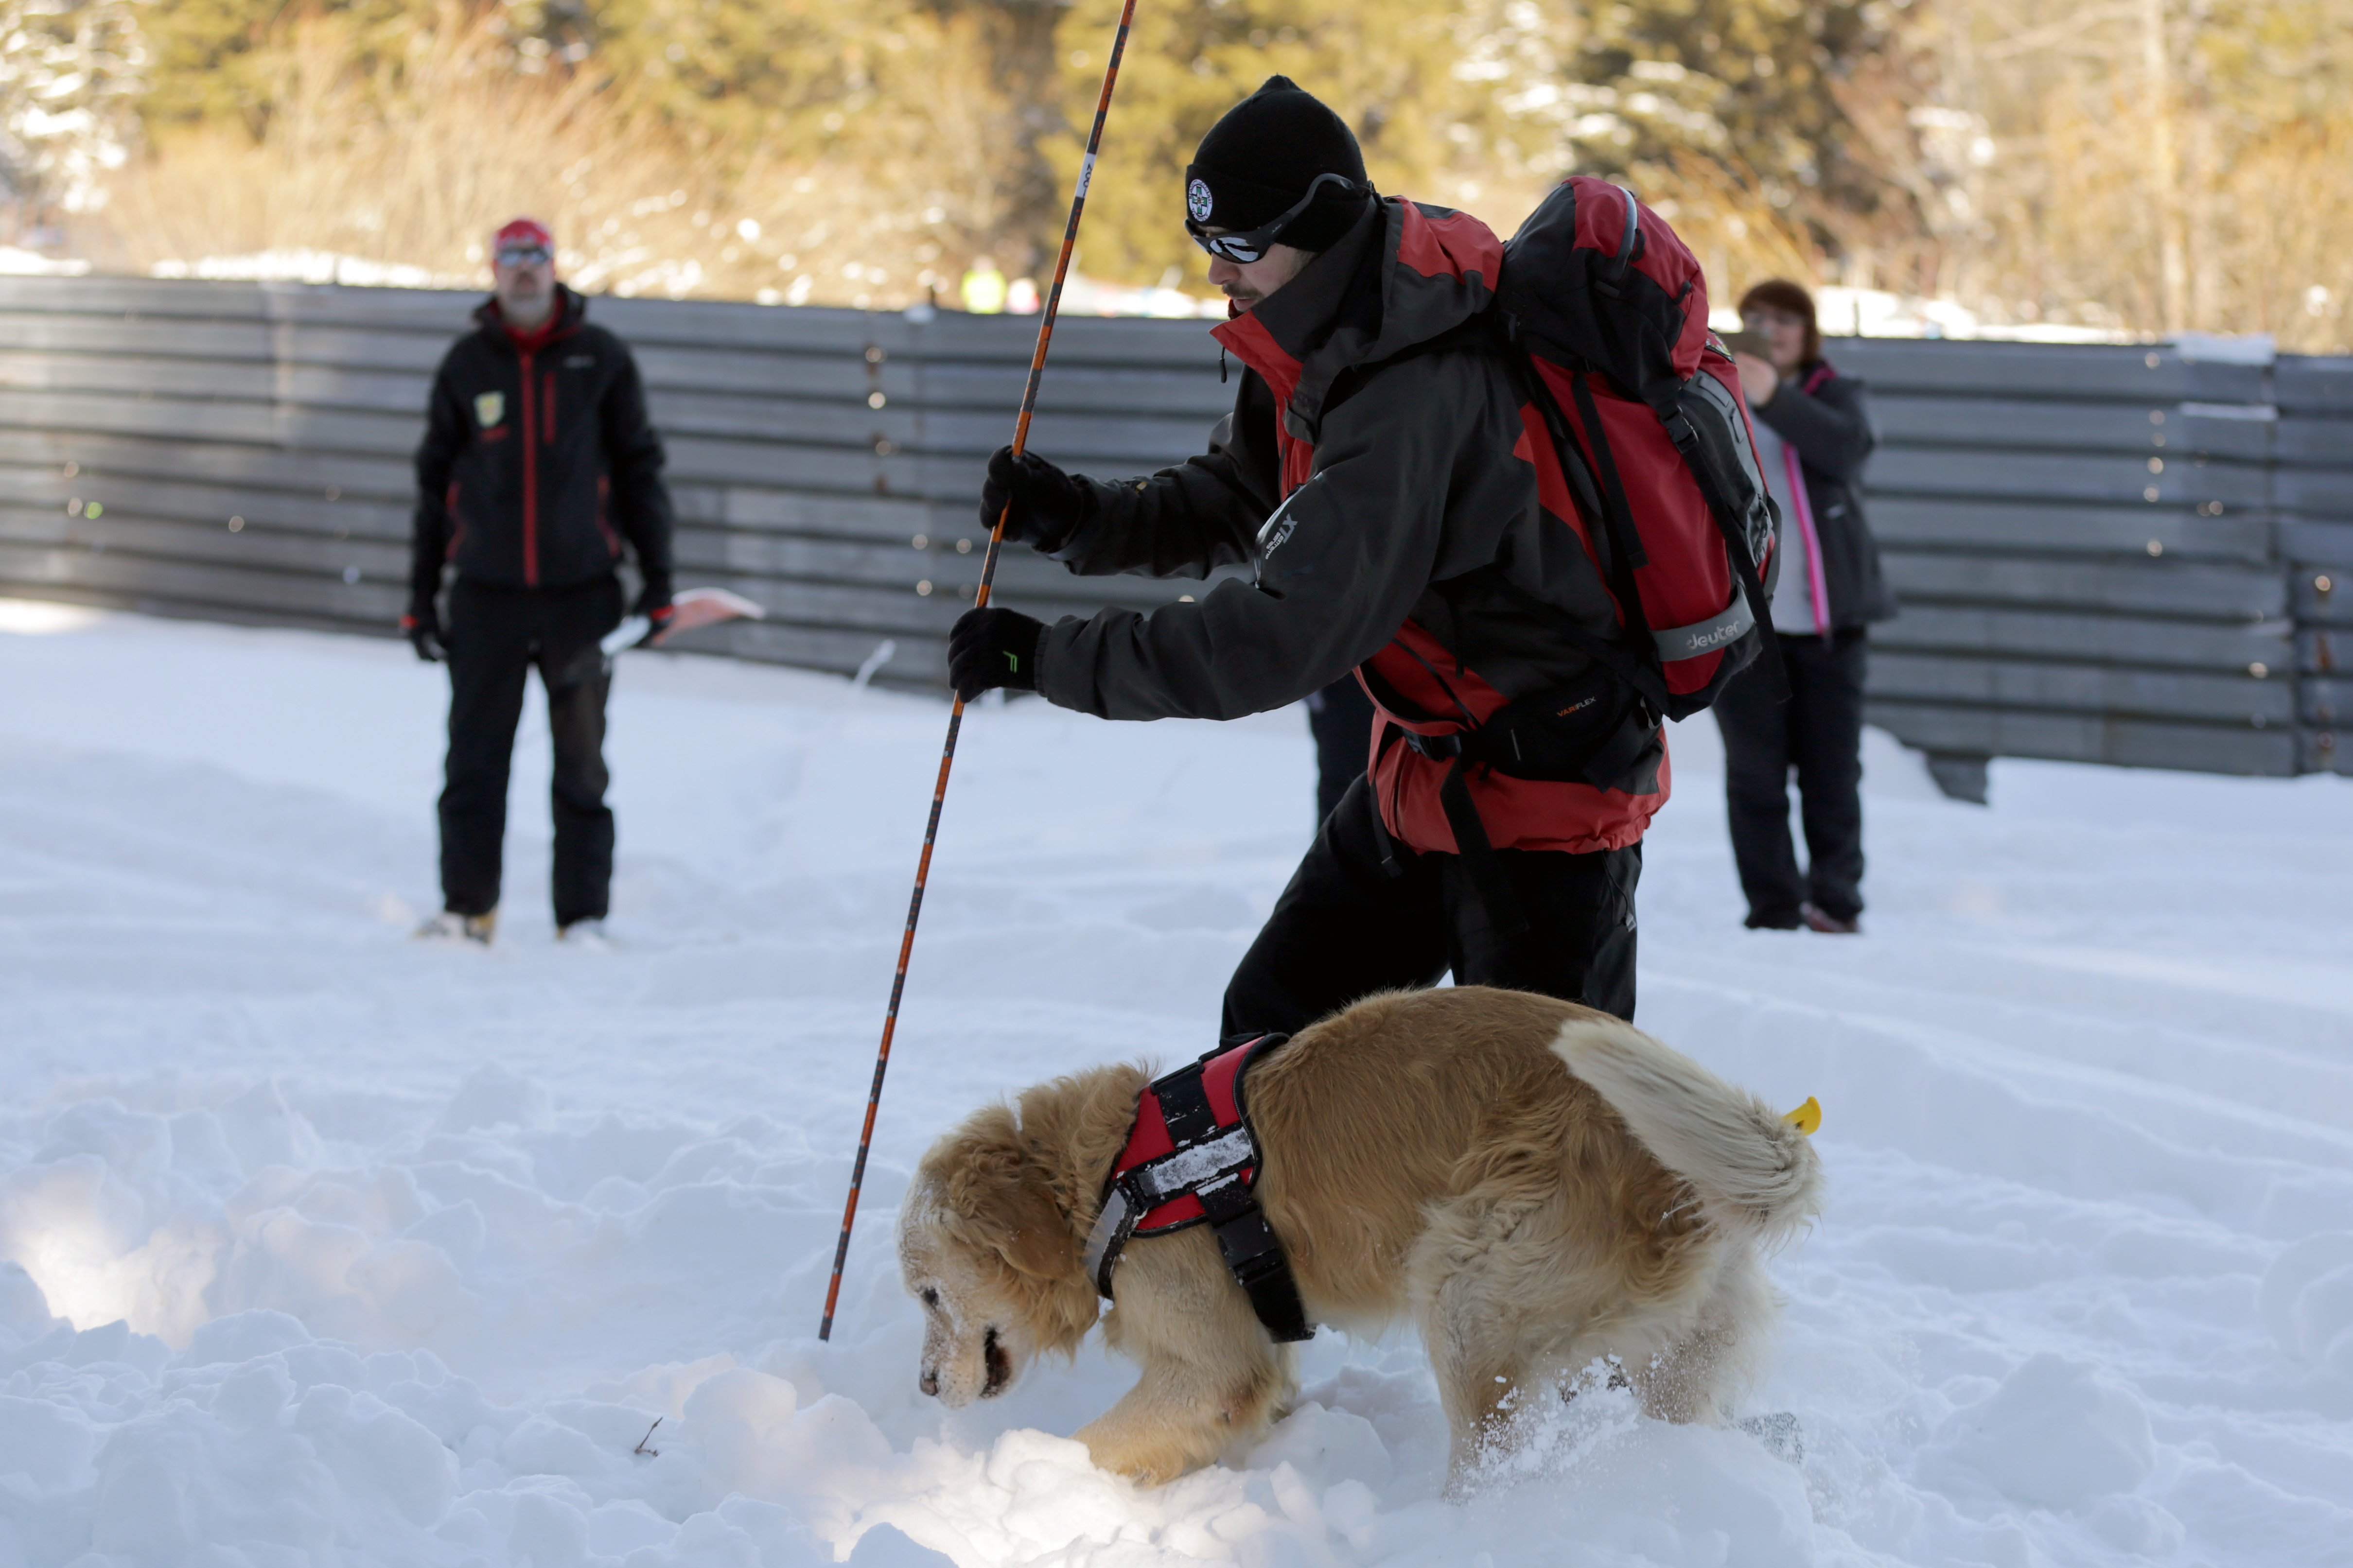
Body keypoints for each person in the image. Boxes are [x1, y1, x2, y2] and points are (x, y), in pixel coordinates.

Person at [946, 76, 1664, 1035]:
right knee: (1278, 1032)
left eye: (1240, 246)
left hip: (1547, 786)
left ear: (1320, 226)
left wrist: (1047, 659)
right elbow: (1243, 495)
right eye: (1207, 245)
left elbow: (1286, 633)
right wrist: (1079, 517)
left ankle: (1660, 1177)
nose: (1218, 273)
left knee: (1536, 1115)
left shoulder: (1412, 377)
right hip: (1426, 771)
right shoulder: (1326, 332)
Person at [402, 217, 676, 945]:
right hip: (485, 597)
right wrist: (419, 600)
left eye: (537, 256)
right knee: (473, 762)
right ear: (493, 269)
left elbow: (641, 471)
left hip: (581, 596)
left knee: (582, 766)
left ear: (555, 267)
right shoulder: (467, 365)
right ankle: (469, 910)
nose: (524, 270)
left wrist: (659, 583)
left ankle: (582, 920)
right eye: (510, 257)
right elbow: (433, 488)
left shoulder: (601, 358)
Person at [1716, 278, 1896, 934]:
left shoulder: (1837, 392)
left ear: (1809, 329)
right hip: (1748, 628)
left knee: (1832, 776)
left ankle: (1837, 903)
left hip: (1829, 628)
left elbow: (1846, 449)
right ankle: (1773, 909)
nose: (1773, 328)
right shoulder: (1720, 391)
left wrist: (1774, 397)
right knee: (1756, 778)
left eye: (1786, 318)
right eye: (1758, 317)